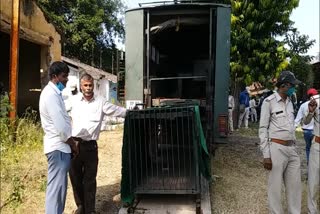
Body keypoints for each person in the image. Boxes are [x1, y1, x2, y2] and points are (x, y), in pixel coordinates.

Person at [69, 73, 127, 214]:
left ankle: (90, 210)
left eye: (90, 85)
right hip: (74, 145)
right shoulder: (73, 101)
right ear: (81, 86)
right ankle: (81, 207)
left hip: (90, 147)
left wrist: (132, 112)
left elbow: (116, 111)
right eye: (86, 85)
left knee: (89, 180)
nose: (88, 88)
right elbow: (60, 113)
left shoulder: (100, 101)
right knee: (75, 179)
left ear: (93, 86)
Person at [258, 70, 302, 214]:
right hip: (276, 149)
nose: (294, 88)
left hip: (292, 149)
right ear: (284, 85)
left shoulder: (290, 102)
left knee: (295, 187)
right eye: (292, 86)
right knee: (275, 188)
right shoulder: (268, 102)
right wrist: (266, 155)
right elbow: (263, 128)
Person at [39, 61, 79, 214]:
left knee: (58, 189)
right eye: (64, 76)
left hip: (59, 148)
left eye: (67, 76)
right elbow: (61, 129)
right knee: (56, 191)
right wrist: (73, 145)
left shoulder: (55, 94)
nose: (67, 80)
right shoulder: (50, 95)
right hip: (59, 148)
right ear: (55, 77)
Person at [304, 94, 319, 214]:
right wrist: (310, 112)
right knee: (313, 181)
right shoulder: (316, 101)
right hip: (318, 146)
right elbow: (306, 121)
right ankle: (312, 211)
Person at [294, 88, 318, 164]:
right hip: (316, 132)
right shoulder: (318, 104)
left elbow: (297, 119)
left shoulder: (303, 105)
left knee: (308, 148)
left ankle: (309, 163)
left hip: (306, 131)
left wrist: (293, 128)